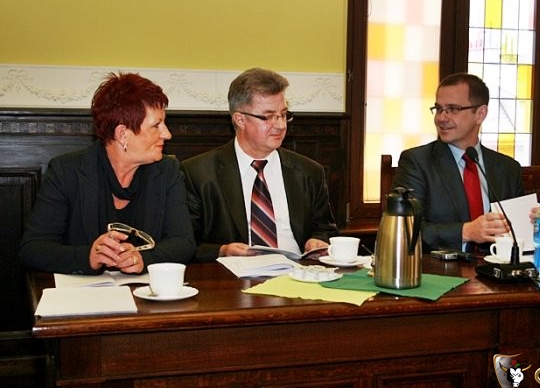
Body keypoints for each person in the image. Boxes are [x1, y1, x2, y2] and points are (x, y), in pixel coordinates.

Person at [19, 73, 195, 274]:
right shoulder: (66, 171)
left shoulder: (168, 172)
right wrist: (89, 257)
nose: (167, 134)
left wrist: (144, 258)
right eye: (156, 125)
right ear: (122, 134)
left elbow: (184, 243)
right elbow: (32, 249)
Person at [181, 67, 339, 261]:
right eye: (268, 117)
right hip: (233, 275)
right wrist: (222, 251)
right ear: (240, 120)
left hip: (297, 272)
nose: (280, 125)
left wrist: (317, 241)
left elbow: (325, 229)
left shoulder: (309, 171)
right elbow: (186, 244)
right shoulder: (199, 174)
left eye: (283, 114)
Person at [392, 72, 524, 252]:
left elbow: (516, 233)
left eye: (453, 109)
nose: (441, 118)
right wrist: (466, 232)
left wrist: (532, 224)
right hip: (441, 268)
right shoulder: (417, 162)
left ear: (480, 114)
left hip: (496, 266)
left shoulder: (508, 169)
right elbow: (404, 229)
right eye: (438, 109)